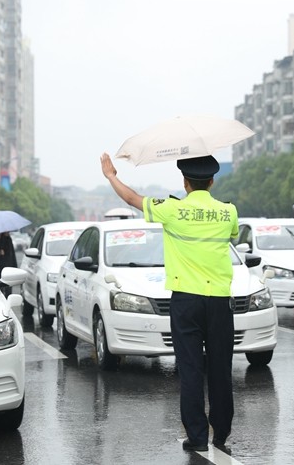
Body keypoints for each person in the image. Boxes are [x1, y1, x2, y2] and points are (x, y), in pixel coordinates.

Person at [100, 152, 238, 452]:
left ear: (185, 182)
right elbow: (231, 235)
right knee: (220, 369)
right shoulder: (229, 212)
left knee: (189, 369)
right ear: (212, 181)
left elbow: (133, 200)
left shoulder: (172, 210)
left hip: (186, 301)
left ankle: (198, 437)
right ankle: (222, 435)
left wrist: (111, 176)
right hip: (219, 302)